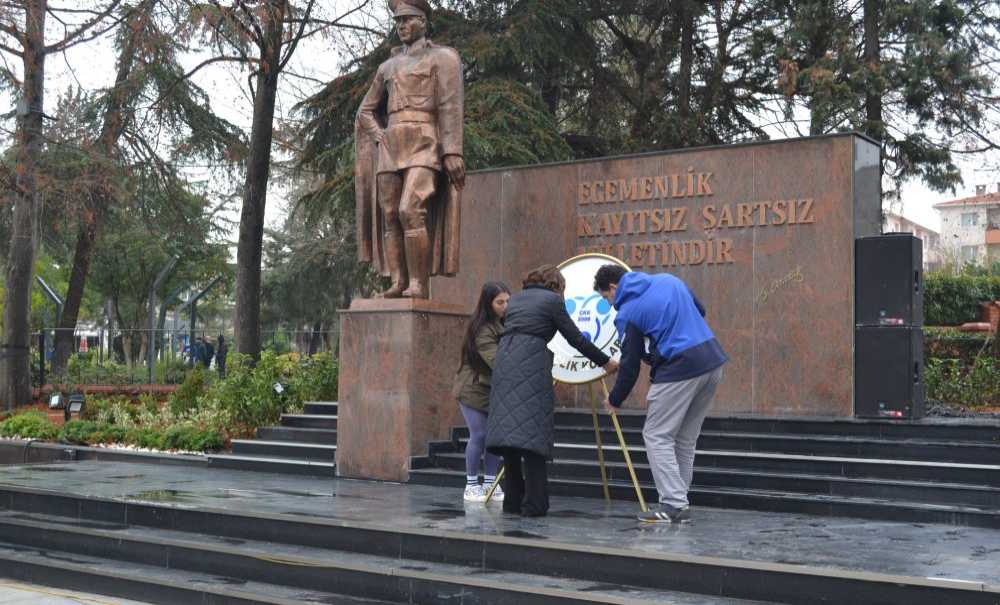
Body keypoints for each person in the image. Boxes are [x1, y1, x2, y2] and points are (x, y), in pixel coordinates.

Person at [594, 265, 727, 524]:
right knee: (685, 439)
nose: (609, 304)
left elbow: (630, 364)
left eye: (605, 298)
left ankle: (673, 503)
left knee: (656, 435)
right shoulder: (669, 280)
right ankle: (679, 501)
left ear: (612, 287)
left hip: (678, 368)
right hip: (712, 361)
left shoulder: (628, 313)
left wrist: (615, 398)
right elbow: (700, 310)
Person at [486, 265, 619, 517]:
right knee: (532, 438)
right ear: (556, 285)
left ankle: (512, 503)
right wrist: (606, 362)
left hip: (505, 363)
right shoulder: (552, 302)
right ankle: (535, 505)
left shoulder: (516, 300)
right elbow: (576, 339)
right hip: (532, 363)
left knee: (510, 440)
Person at [355, 0, 464, 298]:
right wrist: (381, 135)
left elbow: (450, 106)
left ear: (423, 22)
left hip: (425, 142)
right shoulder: (387, 67)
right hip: (392, 145)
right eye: (397, 20)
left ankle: (419, 283)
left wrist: (452, 150)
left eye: (407, 19)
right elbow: (365, 111)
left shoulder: (443, 58)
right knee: (390, 215)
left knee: (410, 210)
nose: (401, 25)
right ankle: (398, 282)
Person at [452, 282, 511, 503]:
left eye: (507, 301)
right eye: (500, 302)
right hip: (473, 389)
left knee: (493, 437)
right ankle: (470, 484)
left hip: (492, 389)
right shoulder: (482, 328)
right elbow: (497, 360)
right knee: (479, 435)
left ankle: (490, 483)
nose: (505, 306)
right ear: (488, 303)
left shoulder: (504, 323)